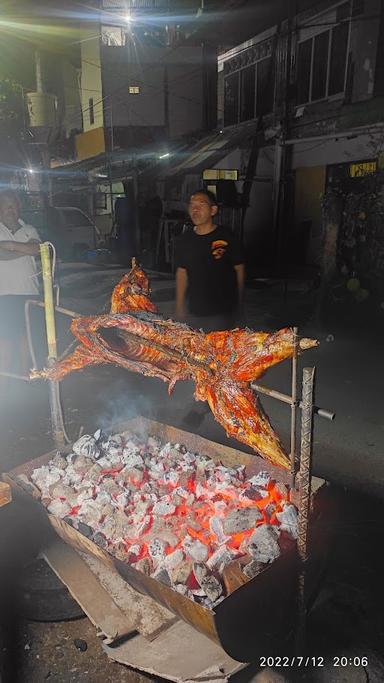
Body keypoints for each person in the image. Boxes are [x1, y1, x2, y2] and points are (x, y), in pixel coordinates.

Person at [174, 189, 245, 332]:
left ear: (213, 210)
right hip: (195, 310)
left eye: (201, 204)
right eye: (192, 205)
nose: (195, 209)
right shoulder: (185, 239)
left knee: (219, 350)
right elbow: (182, 272)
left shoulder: (227, 236)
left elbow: (239, 269)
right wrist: (179, 305)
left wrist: (240, 300)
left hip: (222, 311)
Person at [0, 190, 41, 377]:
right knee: (5, 337)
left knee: (28, 337)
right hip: (3, 293)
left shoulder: (30, 229)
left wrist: (10, 246)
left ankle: (27, 374)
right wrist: (25, 250)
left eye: (14, 205)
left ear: (19, 208)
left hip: (29, 292)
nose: (11, 209)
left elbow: (37, 249)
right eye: (6, 205)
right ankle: (5, 377)